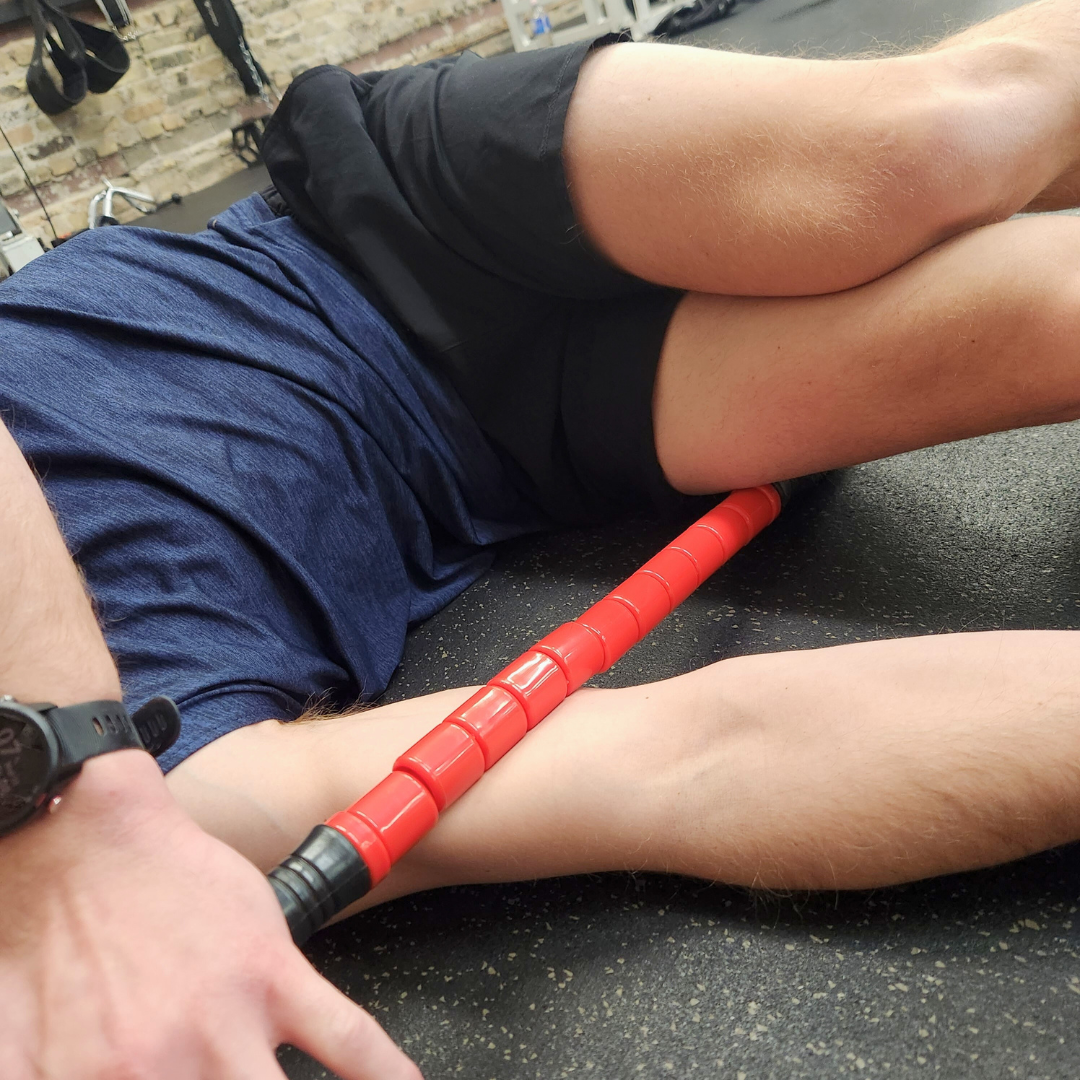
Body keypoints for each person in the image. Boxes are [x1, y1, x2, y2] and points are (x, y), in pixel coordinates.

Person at [4, 1, 1080, 1075]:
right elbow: (688, 758)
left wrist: (78, 809)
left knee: (936, 144)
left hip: (368, 220)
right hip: (529, 440)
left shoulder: (99, 830)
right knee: (1052, 308)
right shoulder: (188, 837)